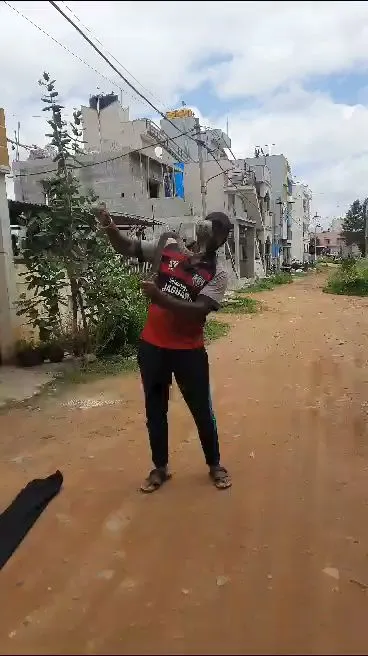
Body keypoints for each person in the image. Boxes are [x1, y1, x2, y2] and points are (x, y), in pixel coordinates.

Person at [96, 207, 232, 493]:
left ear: (224, 238)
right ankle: (160, 468)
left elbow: (197, 312)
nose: (212, 230)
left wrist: (159, 297)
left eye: (220, 229)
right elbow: (129, 247)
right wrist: (109, 226)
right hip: (153, 347)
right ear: (201, 226)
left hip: (189, 352)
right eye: (210, 224)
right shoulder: (169, 247)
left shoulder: (217, 274)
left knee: (201, 411)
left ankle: (215, 464)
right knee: (155, 410)